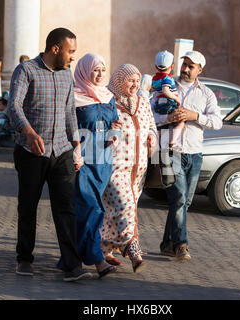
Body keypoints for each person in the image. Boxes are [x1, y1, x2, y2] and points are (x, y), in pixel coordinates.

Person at [8, 27, 92, 282]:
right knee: (28, 207)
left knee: (66, 208)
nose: (73, 57)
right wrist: (29, 133)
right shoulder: (26, 71)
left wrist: (76, 145)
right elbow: (14, 106)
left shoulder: (67, 74)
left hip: (62, 151)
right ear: (55, 48)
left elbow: (69, 111)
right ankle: (24, 258)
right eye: (71, 51)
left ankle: (71, 265)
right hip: (31, 153)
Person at [58, 53, 123, 278]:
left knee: (86, 210)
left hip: (103, 160)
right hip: (82, 161)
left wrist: (115, 133)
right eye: (95, 70)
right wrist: (75, 152)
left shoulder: (108, 96)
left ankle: (70, 260)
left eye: (103, 70)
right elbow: (67, 127)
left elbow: (116, 122)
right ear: (85, 70)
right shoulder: (74, 96)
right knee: (92, 208)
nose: (99, 74)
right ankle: (97, 261)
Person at [152, 50, 222, 260]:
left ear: (200, 70)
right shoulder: (165, 85)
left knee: (183, 201)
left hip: (195, 153)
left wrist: (195, 116)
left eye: (191, 66)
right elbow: (151, 115)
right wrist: (168, 117)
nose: (185, 69)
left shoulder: (206, 93)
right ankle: (181, 245)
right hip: (169, 152)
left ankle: (167, 244)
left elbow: (217, 122)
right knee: (180, 198)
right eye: (184, 64)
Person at [101, 64, 158, 272]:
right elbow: (97, 127)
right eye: (130, 80)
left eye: (137, 80)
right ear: (119, 81)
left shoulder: (143, 103)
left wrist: (153, 136)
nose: (134, 84)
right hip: (116, 167)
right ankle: (132, 248)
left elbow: (151, 125)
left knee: (115, 211)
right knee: (125, 206)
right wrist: (108, 130)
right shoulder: (108, 102)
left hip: (139, 168)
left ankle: (103, 250)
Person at [152, 50, 183, 148]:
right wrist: (177, 99)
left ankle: (161, 139)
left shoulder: (155, 78)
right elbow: (166, 91)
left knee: (163, 126)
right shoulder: (167, 78)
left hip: (159, 103)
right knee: (181, 122)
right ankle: (172, 141)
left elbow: (155, 90)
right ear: (172, 66)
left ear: (156, 66)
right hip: (169, 103)